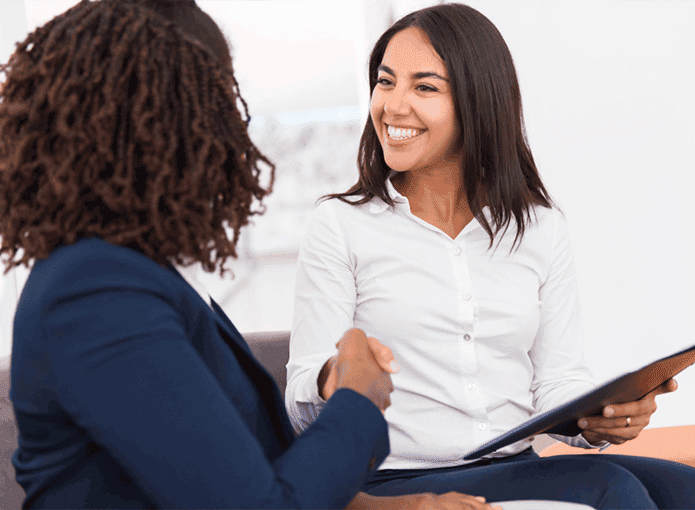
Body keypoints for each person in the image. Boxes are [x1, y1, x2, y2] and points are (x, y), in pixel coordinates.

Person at [0, 1, 507, 508]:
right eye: (212, 96)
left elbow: (232, 475)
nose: (229, 129)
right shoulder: (94, 293)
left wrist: (404, 507)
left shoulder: (130, 275)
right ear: (155, 118)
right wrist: (358, 398)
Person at [286, 3, 695, 509]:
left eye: (424, 87)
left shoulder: (538, 227)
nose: (392, 106)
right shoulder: (340, 226)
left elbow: (557, 379)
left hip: (514, 465)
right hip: (394, 480)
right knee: (612, 490)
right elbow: (300, 404)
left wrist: (595, 422)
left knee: (684, 488)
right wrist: (334, 378)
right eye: (386, 81)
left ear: (479, 103)